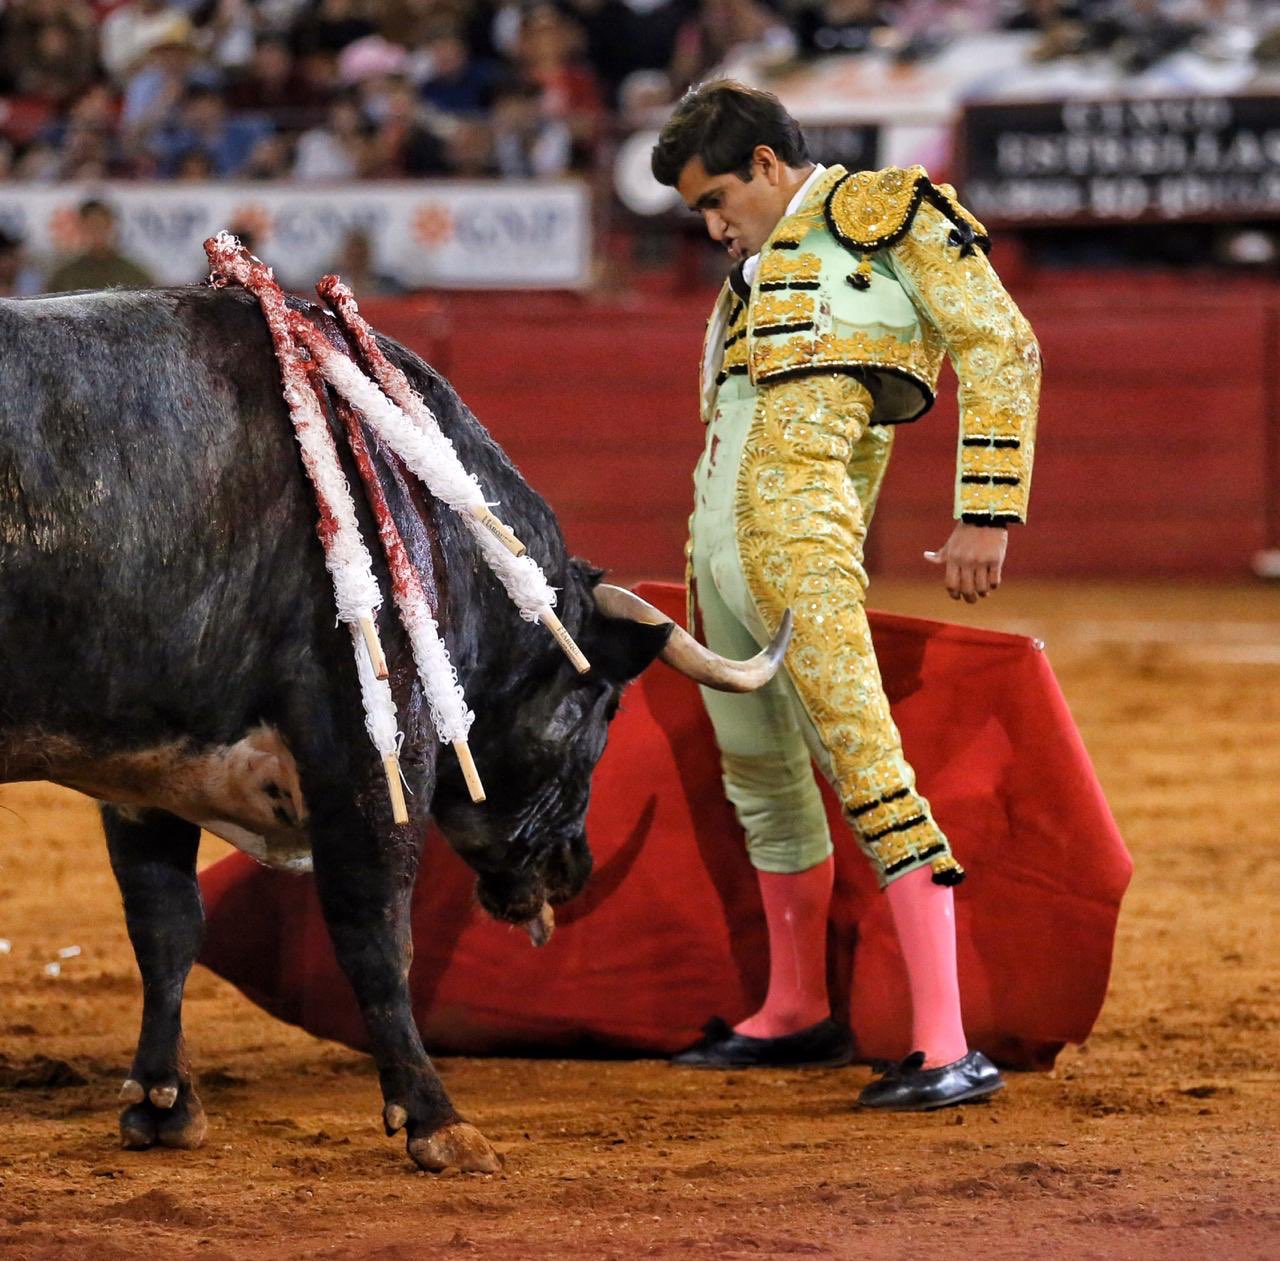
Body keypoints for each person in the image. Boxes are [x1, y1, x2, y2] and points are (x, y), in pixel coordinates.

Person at [650, 81, 1040, 1109]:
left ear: (770, 166)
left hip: (805, 540)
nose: (709, 223)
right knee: (760, 779)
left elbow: (999, 342)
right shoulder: (754, 268)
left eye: (715, 198)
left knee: (866, 768)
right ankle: (791, 1010)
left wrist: (984, 508)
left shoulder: (881, 214)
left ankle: (946, 1043)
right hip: (714, 549)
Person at [45, 199, 154, 292]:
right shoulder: (65, 277)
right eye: (90, 226)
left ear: (110, 226)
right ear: (81, 228)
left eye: (100, 225)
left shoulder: (134, 275)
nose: (96, 232)